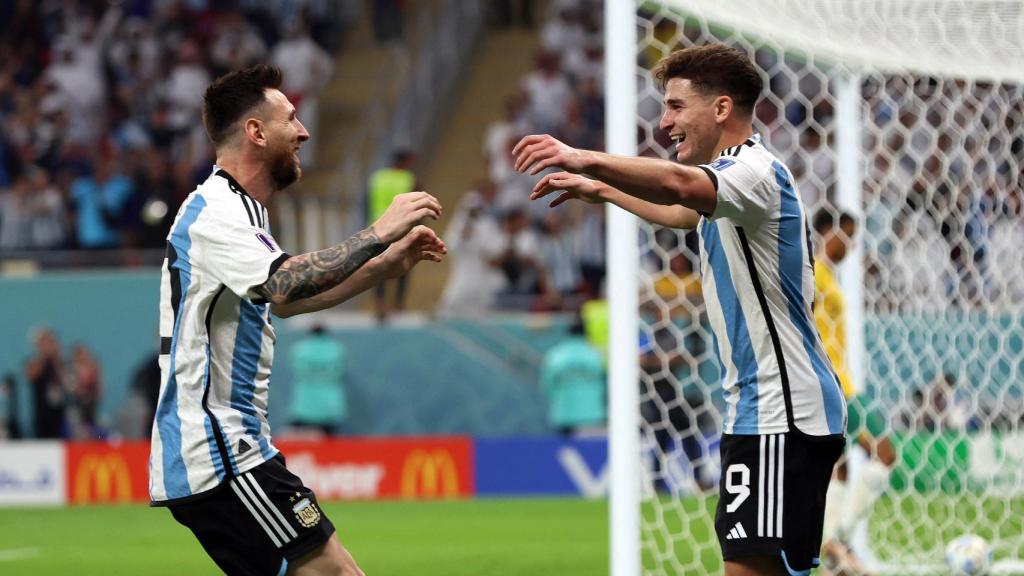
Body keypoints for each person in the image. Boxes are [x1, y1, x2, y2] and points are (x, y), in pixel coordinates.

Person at [513, 44, 847, 576]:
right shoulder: (734, 185)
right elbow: (683, 212)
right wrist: (603, 190)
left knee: (748, 567)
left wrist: (583, 156)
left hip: (782, 411)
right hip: (768, 408)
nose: (664, 122)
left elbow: (678, 185)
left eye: (674, 106)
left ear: (720, 109)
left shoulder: (753, 171)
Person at [150, 64, 446, 576]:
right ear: (256, 132)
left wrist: (383, 267)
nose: (304, 131)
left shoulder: (243, 212)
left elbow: (282, 302)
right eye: (291, 118)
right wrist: (379, 231)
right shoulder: (217, 213)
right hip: (220, 451)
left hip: (230, 450)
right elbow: (285, 282)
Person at [812, 209, 894, 576]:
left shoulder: (827, 275)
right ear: (829, 233)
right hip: (834, 385)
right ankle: (838, 539)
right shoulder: (812, 273)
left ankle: (833, 557)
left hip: (839, 382)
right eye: (847, 235)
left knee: (839, 471)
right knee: (884, 453)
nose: (850, 245)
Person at [367, 150, 420, 321]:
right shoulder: (409, 178)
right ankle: (398, 305)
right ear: (406, 161)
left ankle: (379, 306)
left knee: (378, 267)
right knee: (403, 266)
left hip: (378, 228)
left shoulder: (377, 177)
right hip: (402, 228)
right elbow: (417, 205)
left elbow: (368, 202)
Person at [539, 315, 606, 436]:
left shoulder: (556, 355)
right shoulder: (596, 354)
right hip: (592, 414)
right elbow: (606, 383)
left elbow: (547, 384)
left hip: (563, 413)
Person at [287, 325, 347, 436]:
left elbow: (297, 371)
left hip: (304, 404)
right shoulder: (336, 349)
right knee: (329, 445)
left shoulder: (300, 349)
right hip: (329, 405)